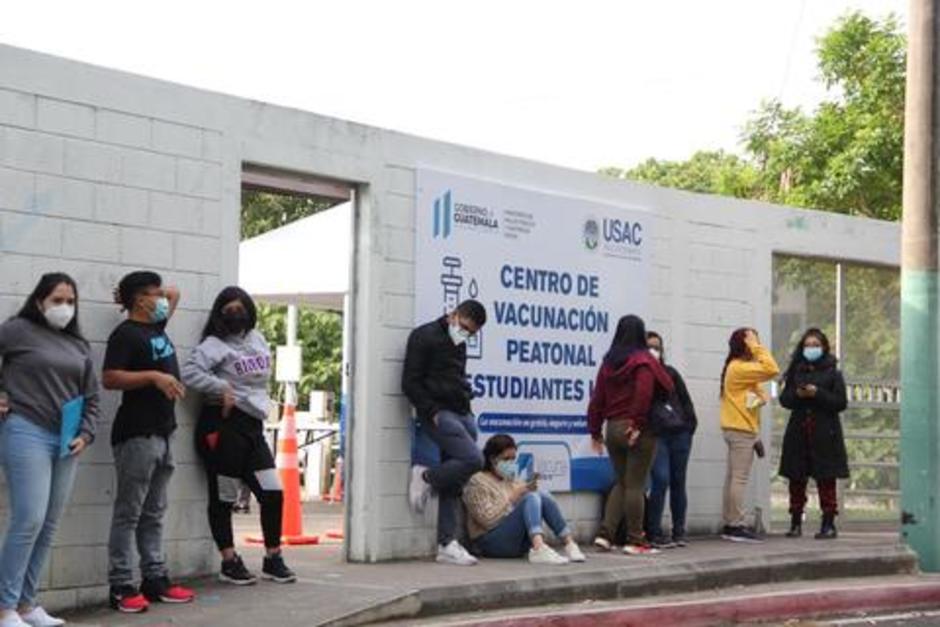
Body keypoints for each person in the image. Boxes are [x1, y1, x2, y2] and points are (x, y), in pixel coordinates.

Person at [0, 273, 100, 627]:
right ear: (40, 300)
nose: (65, 308)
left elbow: (92, 399)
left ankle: (27, 605)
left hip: (67, 440)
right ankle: (4, 607)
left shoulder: (79, 345)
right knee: (28, 519)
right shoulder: (16, 330)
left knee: (49, 524)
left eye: (71, 301)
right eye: (58, 300)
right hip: (25, 429)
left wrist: (86, 434)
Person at [182, 286, 296, 585]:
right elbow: (188, 373)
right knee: (225, 496)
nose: (236, 315)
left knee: (272, 492)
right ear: (220, 315)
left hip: (253, 427)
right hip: (223, 426)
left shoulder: (257, 339)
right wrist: (220, 388)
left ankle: (273, 557)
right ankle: (229, 560)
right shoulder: (213, 344)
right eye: (229, 311)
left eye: (241, 309)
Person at [102, 272, 195, 613]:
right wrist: (154, 376)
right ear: (140, 300)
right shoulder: (125, 334)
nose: (163, 299)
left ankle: (154, 579)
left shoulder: (156, 329)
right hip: (136, 435)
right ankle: (121, 585)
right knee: (129, 513)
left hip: (164, 431)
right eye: (154, 294)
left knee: (154, 512)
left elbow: (176, 292)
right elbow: (110, 377)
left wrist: (139, 293)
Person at [402, 299, 487, 566]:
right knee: (474, 460)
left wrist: (467, 407)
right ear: (453, 315)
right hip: (438, 413)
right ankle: (426, 476)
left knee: (457, 475)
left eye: (471, 333)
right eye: (463, 327)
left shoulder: (458, 343)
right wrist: (432, 411)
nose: (465, 334)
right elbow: (410, 382)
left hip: (461, 411)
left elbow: (457, 377)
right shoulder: (424, 336)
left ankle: (446, 543)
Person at [588, 315, 674, 555]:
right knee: (636, 484)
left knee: (622, 482)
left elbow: (597, 400)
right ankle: (636, 540)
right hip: (637, 428)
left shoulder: (608, 363)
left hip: (612, 427)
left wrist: (595, 431)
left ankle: (605, 535)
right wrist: (636, 423)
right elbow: (650, 390)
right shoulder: (643, 361)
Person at [463, 434, 586, 565]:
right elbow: (486, 520)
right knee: (530, 497)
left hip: (515, 542)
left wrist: (529, 488)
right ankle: (539, 548)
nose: (510, 463)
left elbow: (527, 502)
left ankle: (569, 544)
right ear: (493, 459)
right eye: (506, 459)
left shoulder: (510, 480)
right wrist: (512, 499)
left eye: (513, 459)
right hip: (489, 542)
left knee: (541, 495)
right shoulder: (477, 481)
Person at [778, 328, 849, 540]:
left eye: (815, 345)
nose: (811, 349)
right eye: (808, 345)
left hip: (824, 433)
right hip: (799, 432)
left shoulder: (832, 373)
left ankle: (828, 523)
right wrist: (798, 394)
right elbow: (785, 399)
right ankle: (795, 522)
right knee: (796, 478)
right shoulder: (796, 370)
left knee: (826, 478)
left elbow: (840, 402)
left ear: (824, 347)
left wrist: (817, 393)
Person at [719, 328, 780, 543]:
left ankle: (729, 522)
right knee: (739, 478)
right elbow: (772, 369)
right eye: (753, 340)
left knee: (732, 477)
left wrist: (755, 436)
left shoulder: (739, 370)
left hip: (739, 429)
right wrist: (755, 345)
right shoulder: (739, 368)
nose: (756, 344)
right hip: (740, 430)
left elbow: (760, 396)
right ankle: (735, 524)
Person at [645, 331, 697, 548]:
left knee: (678, 482)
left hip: (679, 435)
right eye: (649, 347)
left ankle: (679, 531)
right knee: (660, 479)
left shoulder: (671, 374)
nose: (653, 351)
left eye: (657, 347)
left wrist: (688, 427)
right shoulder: (641, 376)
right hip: (657, 436)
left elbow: (686, 402)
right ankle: (654, 531)